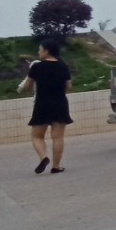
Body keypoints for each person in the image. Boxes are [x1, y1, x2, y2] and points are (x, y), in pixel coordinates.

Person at [19, 39, 72, 175]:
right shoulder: (63, 66)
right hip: (60, 103)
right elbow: (69, 86)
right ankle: (56, 166)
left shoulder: (37, 67)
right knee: (57, 137)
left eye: (40, 49)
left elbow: (28, 86)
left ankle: (44, 157)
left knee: (37, 136)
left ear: (46, 51)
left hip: (42, 104)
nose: (39, 52)